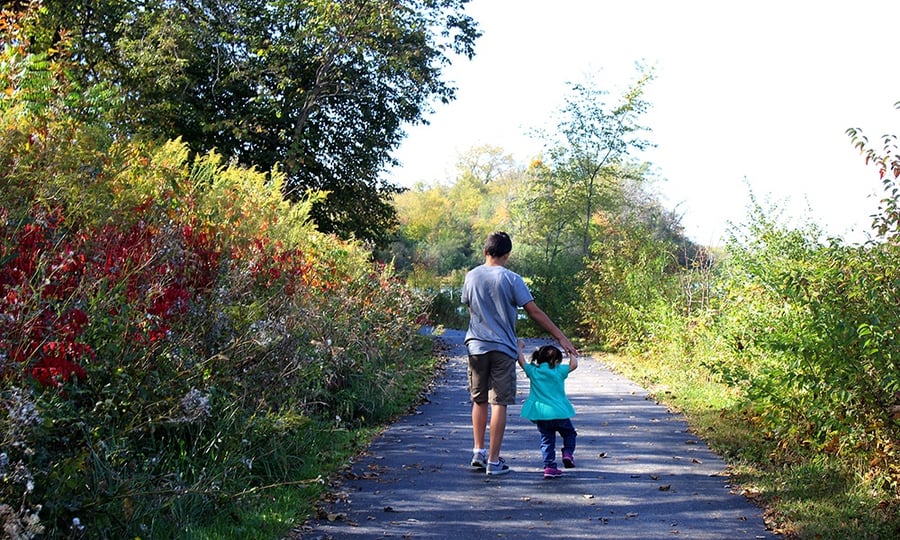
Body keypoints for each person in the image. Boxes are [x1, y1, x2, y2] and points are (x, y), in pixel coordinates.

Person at [461, 231, 578, 476]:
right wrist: (560, 337)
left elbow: (471, 308)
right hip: (504, 348)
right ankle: (493, 462)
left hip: (475, 346)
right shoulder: (512, 279)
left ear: (485, 252)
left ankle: (478, 452)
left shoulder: (471, 276)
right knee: (499, 402)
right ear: (507, 255)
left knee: (479, 399)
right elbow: (533, 311)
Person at [517, 339, 578, 478]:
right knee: (569, 434)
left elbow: (522, 362)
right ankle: (568, 453)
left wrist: (519, 348)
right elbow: (574, 365)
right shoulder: (559, 371)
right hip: (560, 413)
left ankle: (549, 467)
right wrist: (571, 351)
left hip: (542, 414)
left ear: (538, 358)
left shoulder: (533, 371)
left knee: (547, 440)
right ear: (557, 360)